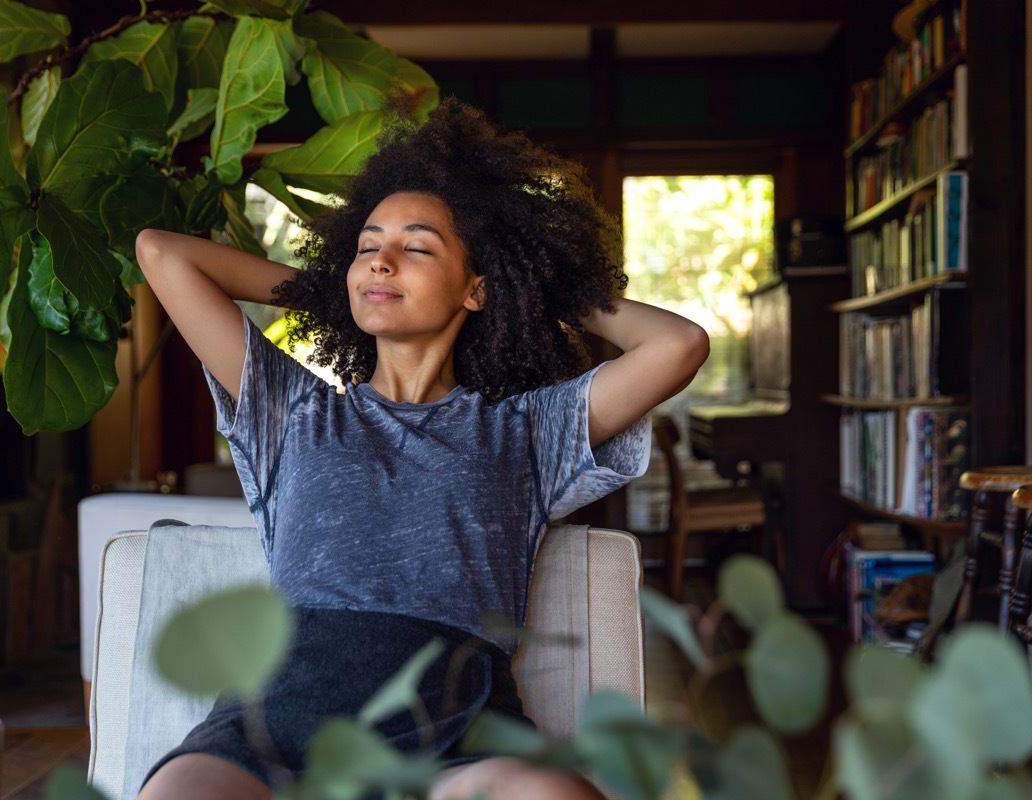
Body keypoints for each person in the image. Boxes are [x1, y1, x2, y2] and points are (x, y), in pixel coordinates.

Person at [134, 99, 709, 800]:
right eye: (366, 245)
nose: (380, 259)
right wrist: (332, 290)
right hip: (275, 721)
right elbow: (161, 253)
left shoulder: (527, 431)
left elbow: (678, 345)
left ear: (475, 289)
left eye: (417, 247)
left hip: (454, 732)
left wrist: (534, 287)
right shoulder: (293, 410)